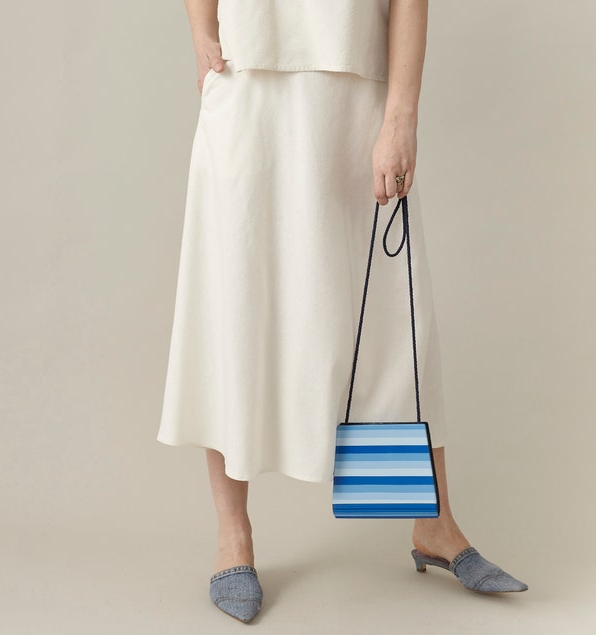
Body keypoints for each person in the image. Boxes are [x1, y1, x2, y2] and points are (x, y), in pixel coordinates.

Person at [158, 0, 527, 623]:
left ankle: (433, 524)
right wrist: (203, 38)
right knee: (232, 304)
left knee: (391, 324)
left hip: (356, 98)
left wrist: (401, 116)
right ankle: (233, 537)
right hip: (246, 90)